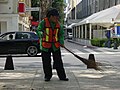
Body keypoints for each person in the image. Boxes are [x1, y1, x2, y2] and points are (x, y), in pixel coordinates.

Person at [36, 8, 69, 81]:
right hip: (45, 46)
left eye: (57, 17)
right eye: (55, 17)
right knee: (46, 62)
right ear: (50, 16)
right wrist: (41, 33)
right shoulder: (43, 22)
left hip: (55, 46)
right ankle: (47, 76)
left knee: (58, 62)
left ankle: (62, 76)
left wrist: (61, 42)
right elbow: (38, 30)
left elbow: (61, 34)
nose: (57, 18)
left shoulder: (59, 24)